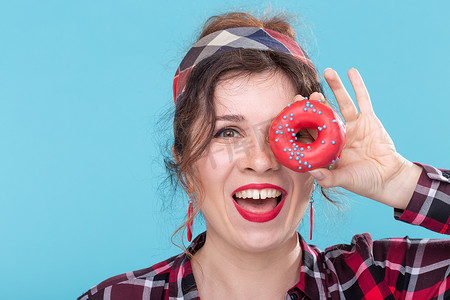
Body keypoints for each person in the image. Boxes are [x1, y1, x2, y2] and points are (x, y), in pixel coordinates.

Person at [78, 12, 449, 300]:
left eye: (285, 132)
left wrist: (400, 180)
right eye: (227, 132)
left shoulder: (382, 282)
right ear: (186, 165)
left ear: (318, 157)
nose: (261, 160)